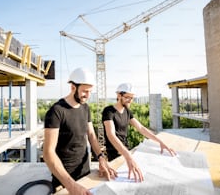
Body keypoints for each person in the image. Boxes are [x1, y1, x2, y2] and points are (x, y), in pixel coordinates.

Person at [43, 67, 117, 195]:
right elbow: (48, 153)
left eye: (90, 91)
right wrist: (71, 186)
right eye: (84, 91)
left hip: (85, 173)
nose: (87, 96)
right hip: (64, 180)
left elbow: (91, 135)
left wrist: (101, 158)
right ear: (73, 87)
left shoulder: (85, 107)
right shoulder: (56, 111)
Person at [102, 83, 176, 182]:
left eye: (132, 98)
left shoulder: (127, 111)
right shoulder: (109, 111)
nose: (130, 101)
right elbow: (111, 135)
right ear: (119, 95)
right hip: (115, 154)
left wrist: (160, 142)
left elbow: (141, 128)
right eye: (128, 97)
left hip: (126, 152)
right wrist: (128, 156)